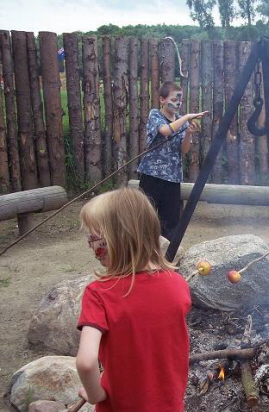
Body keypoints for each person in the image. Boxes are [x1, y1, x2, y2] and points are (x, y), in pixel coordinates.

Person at [76, 188, 192, 411]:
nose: (91, 245)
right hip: (169, 404)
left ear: (114, 242)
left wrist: (95, 393)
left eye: (93, 239)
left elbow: (86, 362)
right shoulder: (178, 285)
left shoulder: (99, 294)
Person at [138, 81, 208, 240]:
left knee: (170, 223)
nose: (178, 104)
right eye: (174, 100)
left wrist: (189, 133)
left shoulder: (181, 121)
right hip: (151, 176)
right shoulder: (155, 114)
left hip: (172, 178)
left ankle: (166, 259)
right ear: (162, 100)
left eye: (180, 100)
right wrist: (187, 118)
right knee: (143, 220)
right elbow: (165, 131)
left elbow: (184, 150)